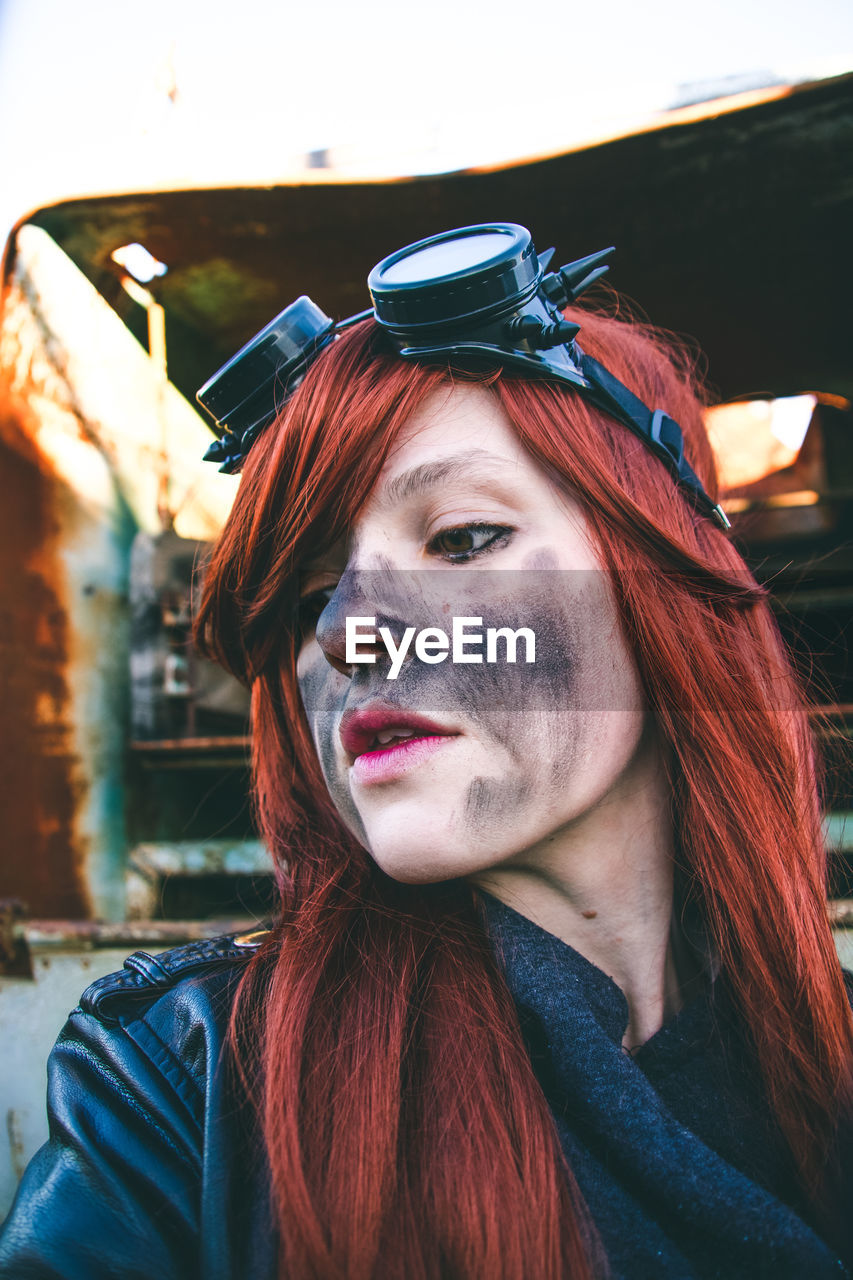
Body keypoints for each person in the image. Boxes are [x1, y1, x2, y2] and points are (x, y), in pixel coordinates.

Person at [1, 223, 851, 1280]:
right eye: (314, 594)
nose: (349, 632)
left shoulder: (823, 1068)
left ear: (661, 585)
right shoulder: (184, 1094)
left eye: (461, 539)